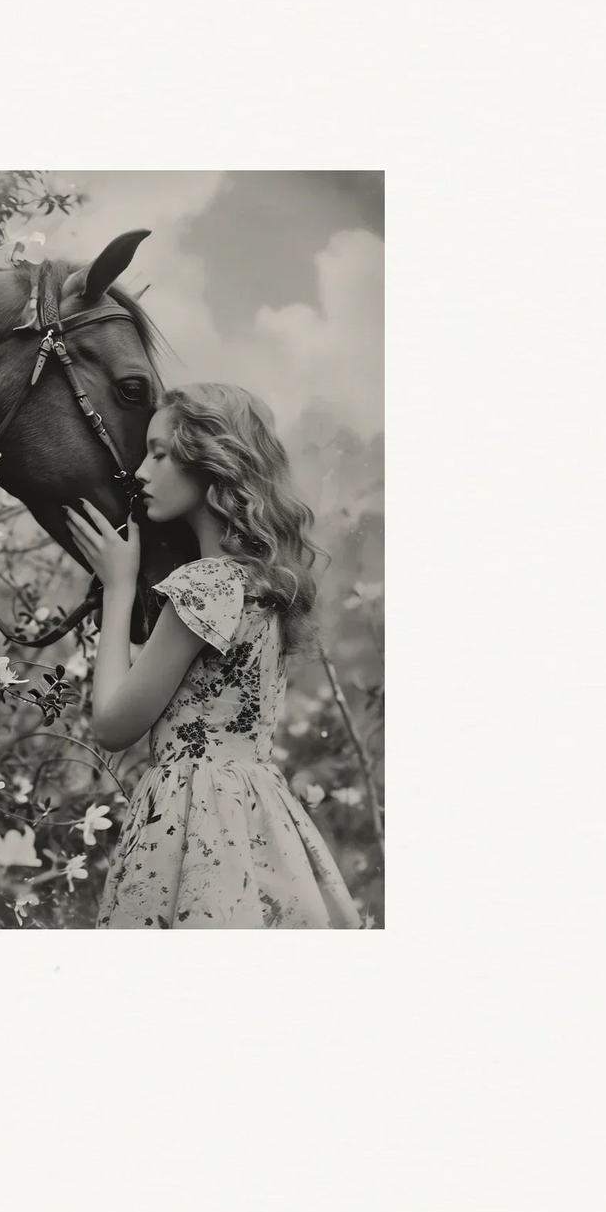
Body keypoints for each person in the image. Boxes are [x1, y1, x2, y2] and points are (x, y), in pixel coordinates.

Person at [65, 382, 362, 929]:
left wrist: (117, 586)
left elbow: (111, 726)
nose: (141, 473)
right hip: (258, 814)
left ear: (211, 462)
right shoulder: (263, 584)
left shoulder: (203, 588)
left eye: (158, 453)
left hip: (190, 818)